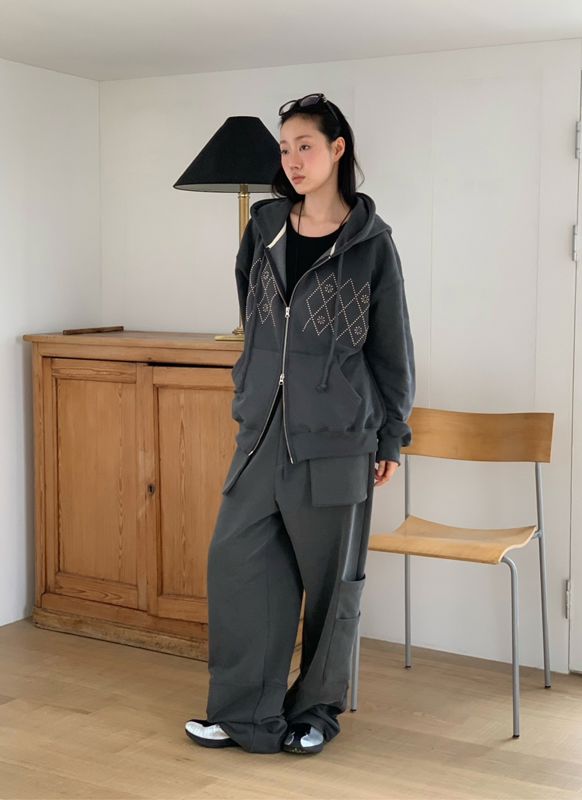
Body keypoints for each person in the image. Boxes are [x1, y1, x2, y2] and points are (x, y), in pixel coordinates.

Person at [185, 92, 416, 755]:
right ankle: (242, 713)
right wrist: (254, 380)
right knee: (239, 569)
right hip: (261, 433)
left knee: (331, 584)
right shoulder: (263, 227)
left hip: (338, 440)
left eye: (304, 146)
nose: (292, 159)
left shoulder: (372, 245)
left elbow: (391, 349)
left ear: (337, 150)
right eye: (284, 148)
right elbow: (255, 316)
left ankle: (314, 712)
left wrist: (391, 435)